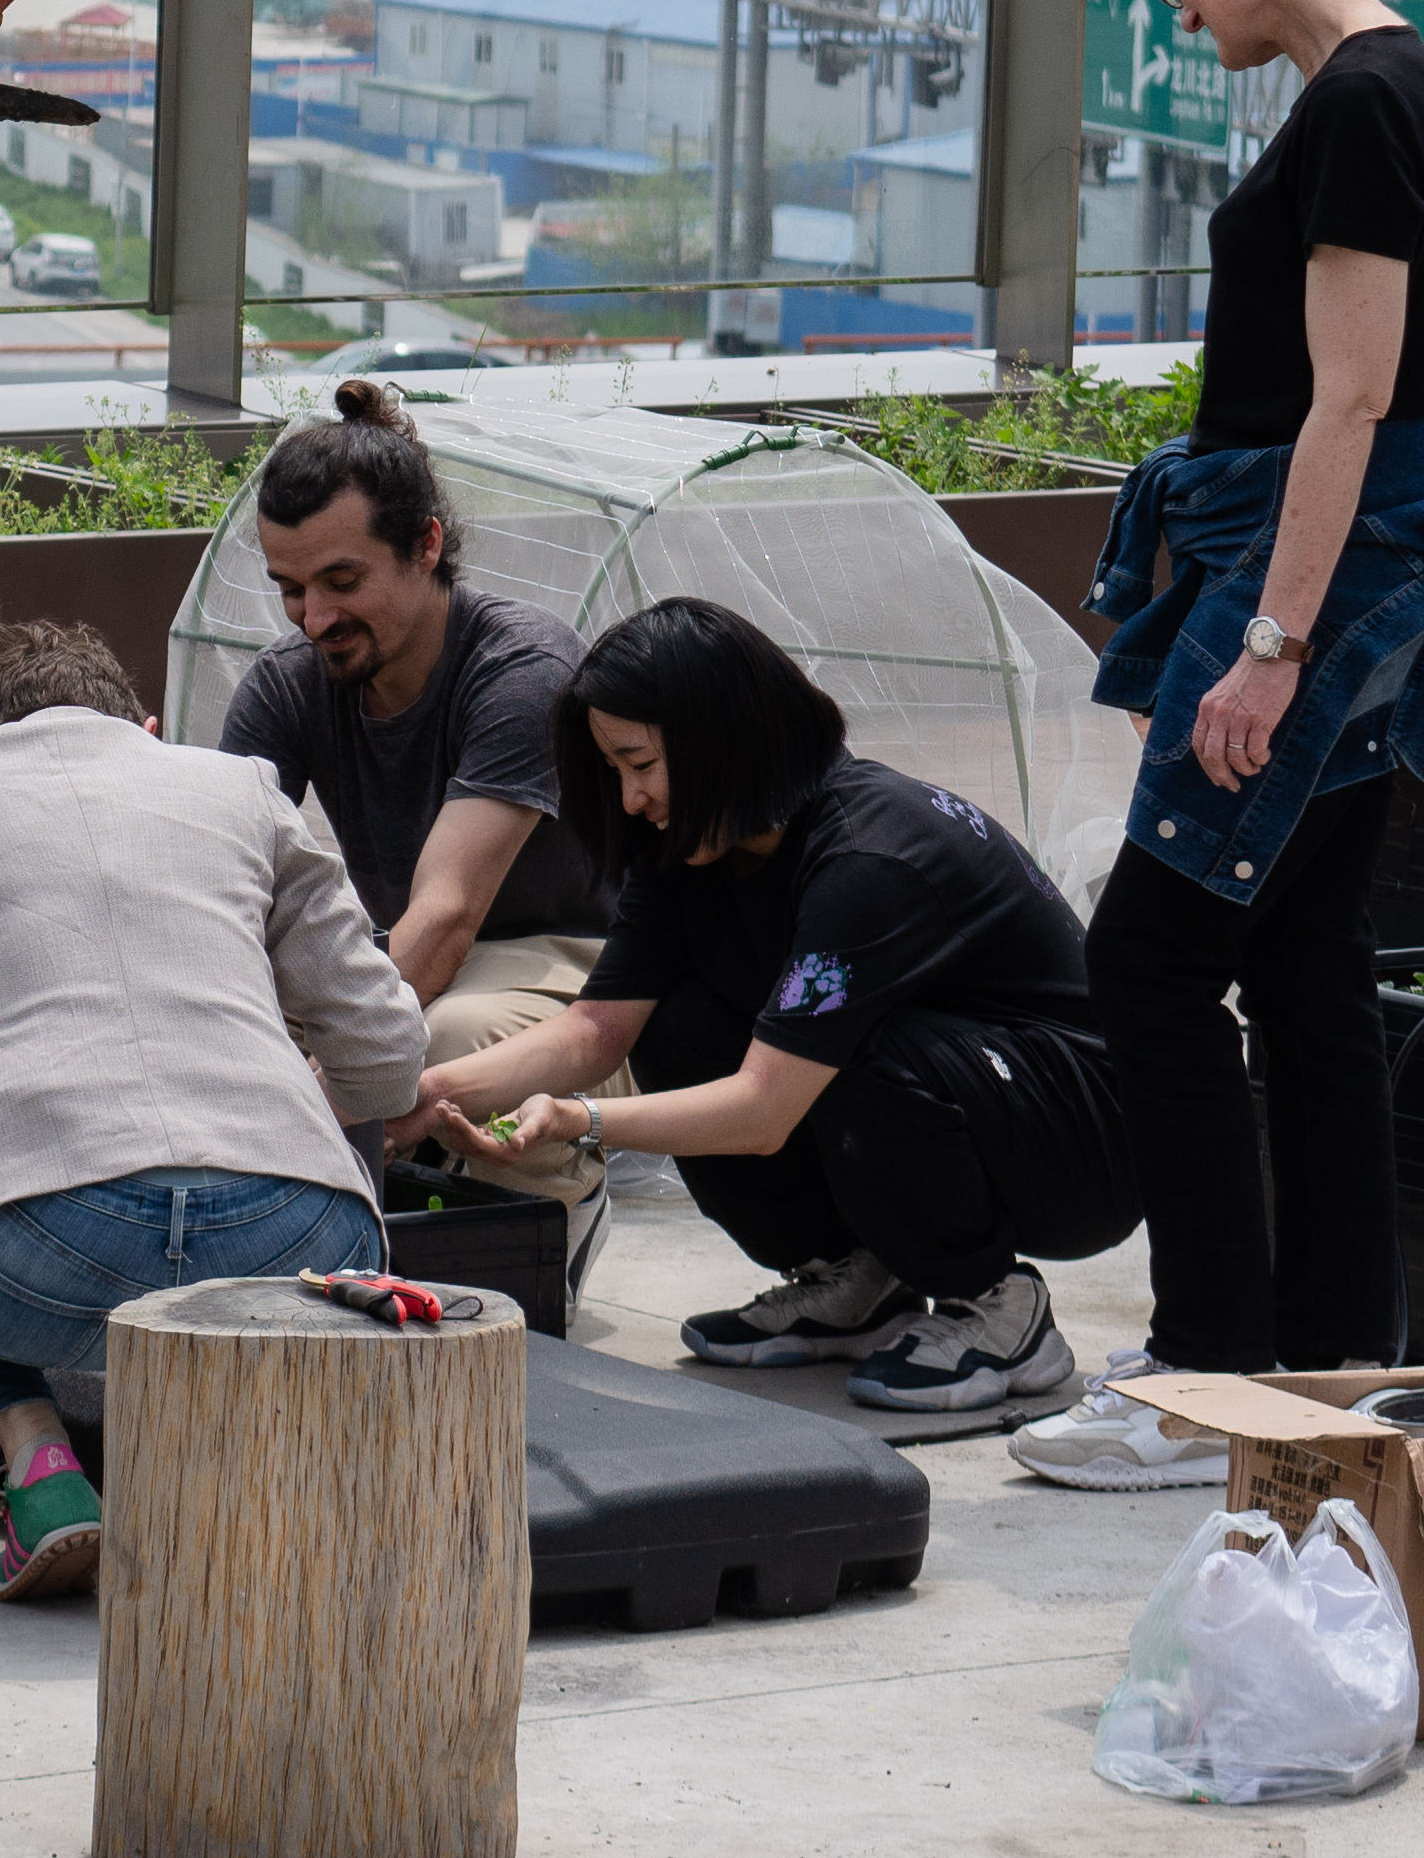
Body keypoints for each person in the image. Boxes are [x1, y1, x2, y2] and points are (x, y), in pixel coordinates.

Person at [1009, 0, 1424, 1484]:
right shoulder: (1398, 89)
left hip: (1331, 577)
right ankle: (1338, 1354)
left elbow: (1353, 396)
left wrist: (1270, 641)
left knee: (1151, 959)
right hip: (1361, 566)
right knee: (1305, 971)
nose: (1173, 10)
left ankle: (1214, 1365)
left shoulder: (1365, 106)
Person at [0, 620, 434, 1604]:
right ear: (144, 727)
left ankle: (34, 1457)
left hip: (29, 1260)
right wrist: (312, 1110)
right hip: (302, 1237)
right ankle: (240, 1493)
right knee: (254, 1260)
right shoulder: (238, 789)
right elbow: (386, 1049)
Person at [420, 599, 1128, 1432]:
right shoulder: (687, 845)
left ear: (723, 737)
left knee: (858, 1046)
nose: (633, 797)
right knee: (678, 1025)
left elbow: (764, 1109)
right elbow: (594, 1030)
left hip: (1082, 1137)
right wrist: (419, 1096)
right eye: (614, 770)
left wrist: (582, 1119)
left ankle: (999, 1304)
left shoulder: (866, 855)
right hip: (943, 1089)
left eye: (640, 763)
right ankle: (858, 1281)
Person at [208, 382, 608, 1203]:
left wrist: (336, 1073)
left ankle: (564, 1193)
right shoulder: (287, 687)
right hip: (404, 954)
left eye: (342, 580)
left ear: (425, 545)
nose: (314, 617)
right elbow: (218, 890)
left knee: (436, 1041)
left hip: (567, 969)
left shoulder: (523, 669)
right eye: (290, 587)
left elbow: (448, 918)